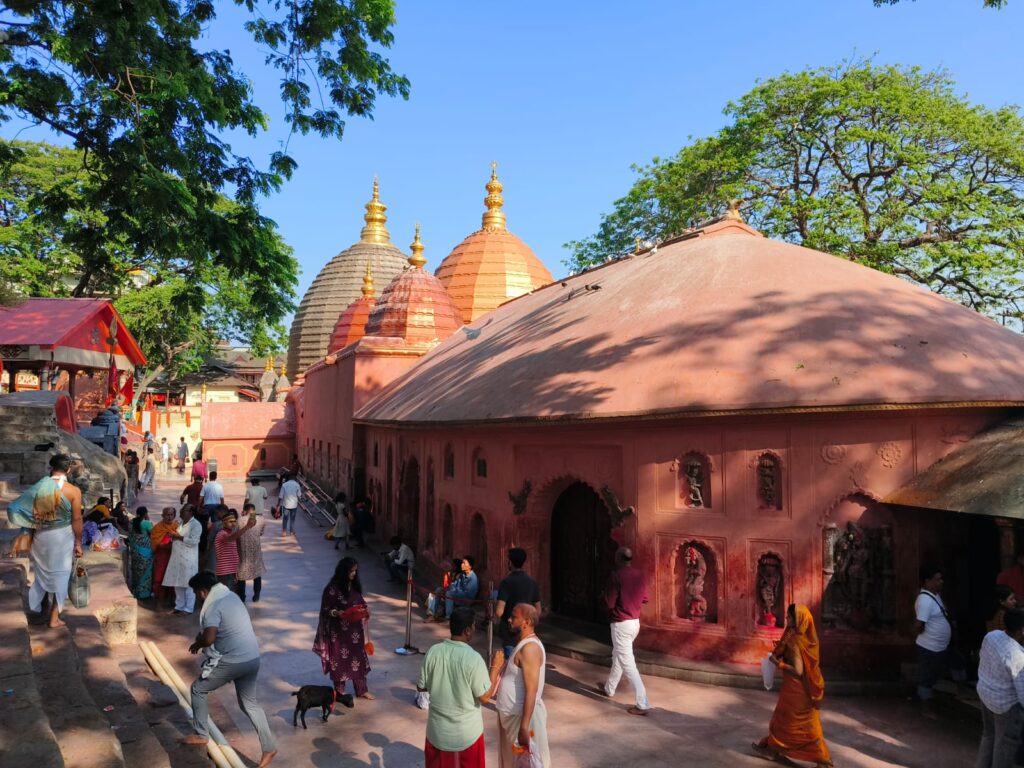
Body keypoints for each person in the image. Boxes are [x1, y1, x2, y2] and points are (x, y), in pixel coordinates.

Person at [182, 571, 277, 767]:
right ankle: (269, 747)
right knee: (249, 704)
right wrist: (200, 642)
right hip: (252, 658)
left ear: (202, 592)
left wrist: (199, 644)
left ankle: (201, 734)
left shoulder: (212, 607)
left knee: (198, 689)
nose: (198, 598)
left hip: (234, 661)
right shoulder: (231, 595)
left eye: (196, 593)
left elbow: (209, 638)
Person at [752, 604, 833, 767]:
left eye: (790, 617)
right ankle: (773, 750)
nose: (787, 620)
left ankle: (822, 759)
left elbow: (797, 670)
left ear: (799, 620)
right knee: (799, 724)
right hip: (804, 689)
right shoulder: (808, 638)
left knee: (790, 723)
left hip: (795, 691)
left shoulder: (796, 641)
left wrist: (778, 663)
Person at [416, 606, 495, 767]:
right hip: (466, 736)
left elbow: (421, 687)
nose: (474, 629)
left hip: (437, 733)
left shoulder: (433, 652)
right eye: (473, 626)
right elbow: (485, 697)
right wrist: (496, 668)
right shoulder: (474, 659)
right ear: (467, 630)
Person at [19, 455, 84, 628]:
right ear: (68, 470)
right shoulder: (73, 491)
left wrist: (29, 538)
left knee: (42, 575)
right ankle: (54, 618)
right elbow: (77, 519)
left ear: (51, 468)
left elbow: (30, 515)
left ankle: (43, 611)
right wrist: (78, 543)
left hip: (41, 536)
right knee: (60, 576)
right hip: (62, 538)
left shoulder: (39, 487)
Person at [495, 603, 551, 768]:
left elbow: (531, 690)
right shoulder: (523, 644)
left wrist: (524, 727)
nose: (509, 620)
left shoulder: (530, 648)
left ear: (526, 622)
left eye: (514, 617)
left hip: (522, 721)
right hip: (512, 718)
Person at [597, 546, 650, 715]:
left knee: (627, 662)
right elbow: (645, 598)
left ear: (619, 558)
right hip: (635, 622)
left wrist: (603, 598)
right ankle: (609, 688)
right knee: (619, 656)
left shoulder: (616, 576)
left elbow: (610, 603)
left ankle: (642, 703)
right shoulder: (639, 575)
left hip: (621, 623)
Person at [313, 557, 374, 700]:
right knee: (339, 662)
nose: (354, 574)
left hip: (355, 632)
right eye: (351, 571)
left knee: (358, 659)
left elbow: (360, 602)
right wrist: (337, 613)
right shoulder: (332, 589)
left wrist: (366, 610)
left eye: (355, 571)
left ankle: (361, 690)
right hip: (338, 633)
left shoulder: (354, 586)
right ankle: (339, 693)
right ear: (343, 571)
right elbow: (326, 609)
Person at [976, 608, 1024, 768]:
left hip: (985, 696)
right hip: (1005, 707)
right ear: (1021, 631)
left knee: (989, 735)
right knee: (1003, 746)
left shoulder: (992, 636)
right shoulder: (1018, 656)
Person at [915, 564, 965, 704]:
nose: (941, 582)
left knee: (957, 663)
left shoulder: (936, 595)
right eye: (937, 579)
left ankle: (959, 690)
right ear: (927, 581)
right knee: (928, 676)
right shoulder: (924, 600)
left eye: (941, 579)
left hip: (942, 645)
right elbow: (919, 625)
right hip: (930, 646)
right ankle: (925, 703)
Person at [495, 547, 542, 658]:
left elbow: (499, 611)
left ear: (510, 562)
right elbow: (538, 609)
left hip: (510, 633)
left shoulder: (507, 582)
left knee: (512, 665)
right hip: (527, 632)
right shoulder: (532, 582)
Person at [163, 504, 202, 615]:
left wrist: (178, 536)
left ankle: (188, 608)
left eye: (184, 510)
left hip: (188, 559)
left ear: (191, 512)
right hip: (177, 557)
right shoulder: (180, 523)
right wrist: (171, 536)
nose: (180, 512)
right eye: (181, 510)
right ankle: (179, 606)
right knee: (178, 582)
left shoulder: (196, 525)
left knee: (189, 584)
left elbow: (194, 541)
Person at [214, 510, 255, 591]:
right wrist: (246, 527)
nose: (233, 523)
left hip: (231, 572)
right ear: (224, 523)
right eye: (230, 521)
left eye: (234, 521)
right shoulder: (222, 534)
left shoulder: (231, 534)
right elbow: (229, 539)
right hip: (224, 573)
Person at [236, 503, 266, 603]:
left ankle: (242, 597)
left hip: (243, 551)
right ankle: (256, 595)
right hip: (256, 551)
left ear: (245, 510)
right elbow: (261, 532)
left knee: (241, 575)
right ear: (254, 510)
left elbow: (236, 533)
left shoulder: (240, 520)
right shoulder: (261, 519)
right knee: (257, 573)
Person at [151, 507, 179, 608]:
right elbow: (156, 543)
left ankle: (175, 602)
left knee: (175, 578)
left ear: (174, 515)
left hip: (175, 556)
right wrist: (167, 545)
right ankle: (159, 602)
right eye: (167, 515)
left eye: (171, 514)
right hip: (162, 556)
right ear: (162, 515)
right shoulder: (157, 528)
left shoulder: (178, 526)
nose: (169, 517)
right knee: (159, 579)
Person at [127, 507, 154, 599]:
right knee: (146, 572)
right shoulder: (146, 523)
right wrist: (148, 519)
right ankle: (144, 594)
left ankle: (135, 591)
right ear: (145, 513)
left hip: (135, 551)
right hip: (146, 552)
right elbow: (153, 534)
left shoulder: (131, 522)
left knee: (136, 571)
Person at [198, 471, 224, 553]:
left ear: (209, 477)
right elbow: (222, 498)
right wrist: (222, 507)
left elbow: (201, 497)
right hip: (216, 507)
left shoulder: (205, 486)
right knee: (216, 524)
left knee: (204, 523)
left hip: (207, 507)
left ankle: (205, 539)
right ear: (216, 477)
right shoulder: (219, 486)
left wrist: (198, 506)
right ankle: (215, 540)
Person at [279, 473, 301, 537]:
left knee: (285, 518)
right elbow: (299, 495)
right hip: (294, 505)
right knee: (292, 519)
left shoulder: (284, 485)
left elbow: (280, 496)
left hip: (286, 504)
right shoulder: (297, 485)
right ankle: (291, 532)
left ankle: (284, 532)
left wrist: (278, 504)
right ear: (294, 479)